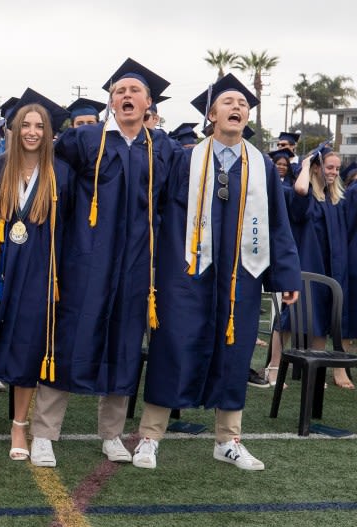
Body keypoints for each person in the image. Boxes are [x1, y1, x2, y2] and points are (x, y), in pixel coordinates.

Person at [133, 74, 301, 470]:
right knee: (171, 345)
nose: (237, 107)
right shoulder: (185, 159)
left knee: (235, 350)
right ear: (211, 114)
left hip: (241, 273)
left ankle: (228, 440)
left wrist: (287, 276)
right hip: (187, 272)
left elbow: (278, 223)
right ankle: (149, 437)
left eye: (242, 103)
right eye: (228, 101)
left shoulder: (259, 164)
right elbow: (155, 208)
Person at [30, 59, 179, 467]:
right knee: (68, 338)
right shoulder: (84, 140)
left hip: (134, 264)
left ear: (149, 103)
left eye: (134, 91)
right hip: (85, 260)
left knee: (125, 345)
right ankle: (44, 433)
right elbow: (52, 184)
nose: (126, 96)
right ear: (110, 102)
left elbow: (170, 207)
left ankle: (112, 434)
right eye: (119, 92)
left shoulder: (162, 148)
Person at [0, 89, 72, 461]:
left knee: (26, 345)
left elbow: (66, 230)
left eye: (40, 126)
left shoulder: (61, 175)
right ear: (15, 128)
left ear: (49, 131)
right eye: (26, 125)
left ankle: (19, 426)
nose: (32, 132)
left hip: (38, 269)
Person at [266, 148, 352, 389]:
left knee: (322, 316)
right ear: (317, 168)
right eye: (329, 167)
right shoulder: (302, 196)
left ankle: (314, 369)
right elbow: (301, 189)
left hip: (328, 268)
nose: (334, 172)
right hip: (304, 265)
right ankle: (274, 367)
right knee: (288, 318)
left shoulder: (334, 200)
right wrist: (305, 165)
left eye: (337, 168)